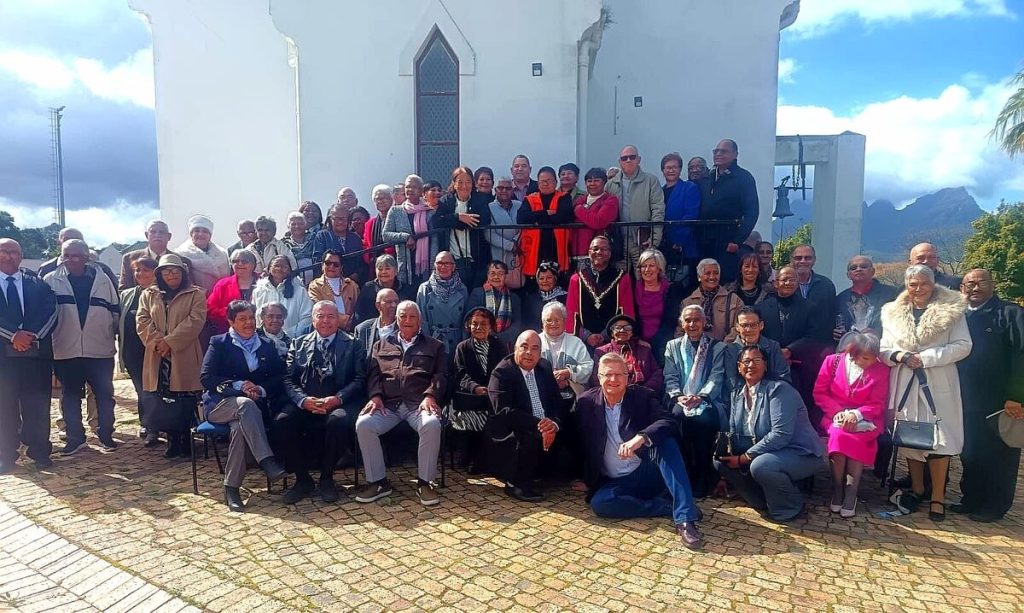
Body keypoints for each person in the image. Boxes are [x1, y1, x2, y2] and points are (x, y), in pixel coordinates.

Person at [577, 353, 704, 549]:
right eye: (608, 374)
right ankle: (665, 507)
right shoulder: (586, 402)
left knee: (665, 443)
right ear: (599, 377)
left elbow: (669, 421)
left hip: (645, 472)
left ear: (628, 377)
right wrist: (583, 477)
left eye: (619, 375)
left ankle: (685, 519)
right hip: (614, 481)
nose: (613, 380)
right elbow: (574, 439)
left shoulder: (641, 396)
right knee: (600, 504)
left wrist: (641, 438)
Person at [880, 264, 972, 521]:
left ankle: (938, 497)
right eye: (913, 284)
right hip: (906, 379)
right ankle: (918, 488)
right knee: (911, 436)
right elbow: (884, 348)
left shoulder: (952, 310)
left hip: (938, 380)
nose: (918, 289)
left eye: (923, 283)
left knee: (941, 440)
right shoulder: (891, 312)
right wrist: (900, 355)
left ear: (933, 284)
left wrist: (928, 357)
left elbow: (964, 346)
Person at [715, 345, 825, 523]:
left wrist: (743, 458)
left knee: (761, 465)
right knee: (720, 460)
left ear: (766, 365)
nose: (751, 365)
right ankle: (761, 500)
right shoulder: (738, 393)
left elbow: (781, 434)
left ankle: (790, 506)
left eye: (757, 360)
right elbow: (735, 433)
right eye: (746, 361)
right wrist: (724, 472)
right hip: (767, 451)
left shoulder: (779, 390)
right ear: (739, 367)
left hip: (799, 452)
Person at [274, 300, 366, 504]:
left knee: (338, 421)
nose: (325, 321)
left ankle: (326, 478)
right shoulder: (298, 343)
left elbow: (360, 379)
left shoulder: (353, 344)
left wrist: (338, 398)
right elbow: (287, 378)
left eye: (331, 316)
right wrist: (302, 400)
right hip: (306, 401)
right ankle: (302, 479)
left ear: (339, 319)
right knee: (282, 421)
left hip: (338, 401)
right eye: (320, 316)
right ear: (313, 319)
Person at [356, 300, 446, 506]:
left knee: (431, 424)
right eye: (403, 316)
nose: (407, 320)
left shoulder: (435, 346)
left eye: (412, 316)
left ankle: (425, 483)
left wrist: (431, 395)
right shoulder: (381, 345)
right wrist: (376, 396)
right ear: (396, 319)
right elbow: (373, 375)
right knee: (364, 425)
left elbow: (441, 375)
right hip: (389, 405)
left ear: (420, 321)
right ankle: (378, 482)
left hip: (418, 404)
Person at [200, 300, 288, 512]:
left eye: (251, 318)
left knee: (240, 428)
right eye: (242, 319)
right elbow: (206, 377)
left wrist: (259, 388)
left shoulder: (266, 344)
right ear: (230, 321)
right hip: (220, 404)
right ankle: (267, 460)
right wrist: (239, 386)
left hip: (251, 408)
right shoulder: (219, 343)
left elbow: (280, 376)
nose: (248, 323)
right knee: (245, 405)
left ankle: (231, 488)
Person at [954, 269, 1024, 522]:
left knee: (999, 454)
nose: (974, 287)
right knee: (970, 451)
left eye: (980, 282)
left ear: (992, 284)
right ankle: (971, 497)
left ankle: (995, 504)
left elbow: (1021, 355)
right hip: (964, 397)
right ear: (962, 288)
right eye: (968, 283)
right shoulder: (959, 316)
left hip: (1000, 401)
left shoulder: (1011, 313)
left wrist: (1017, 395)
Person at [45, 239, 120, 454]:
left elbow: (114, 312)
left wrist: (104, 334)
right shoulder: (51, 280)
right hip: (66, 349)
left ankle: (106, 435)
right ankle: (75, 438)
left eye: (75, 255)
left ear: (86, 257)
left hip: (99, 349)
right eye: (66, 255)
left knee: (104, 395)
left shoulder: (104, 280)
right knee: (69, 396)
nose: (70, 260)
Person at [812, 332, 891, 518]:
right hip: (835, 415)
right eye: (864, 358)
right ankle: (838, 488)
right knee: (839, 436)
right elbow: (819, 392)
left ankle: (851, 493)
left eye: (872, 359)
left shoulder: (881, 369)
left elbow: (878, 402)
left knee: (856, 439)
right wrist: (839, 413)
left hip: (867, 417)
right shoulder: (833, 362)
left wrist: (857, 414)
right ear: (853, 352)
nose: (868, 363)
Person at [136, 253, 207, 458]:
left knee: (184, 399)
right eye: (166, 271)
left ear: (183, 273)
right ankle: (172, 440)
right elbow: (142, 320)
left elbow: (195, 320)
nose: (171, 275)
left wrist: (171, 342)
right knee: (162, 398)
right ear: (159, 274)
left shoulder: (195, 294)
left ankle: (186, 440)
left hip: (184, 352)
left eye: (175, 271)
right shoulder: (149, 294)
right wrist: (158, 342)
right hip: (157, 355)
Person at [0, 239, 57, 473]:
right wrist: (13, 335)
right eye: (3, 252)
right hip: (2, 360)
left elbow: (52, 311)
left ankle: (40, 451)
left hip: (35, 357)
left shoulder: (37, 283)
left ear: (21, 256)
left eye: (14, 252)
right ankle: (6, 455)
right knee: (4, 408)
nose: (8, 256)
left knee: (38, 406)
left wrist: (30, 337)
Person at [485, 330, 563, 502]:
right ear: (515, 348)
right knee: (528, 437)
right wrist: (540, 425)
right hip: (511, 427)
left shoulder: (544, 367)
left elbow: (556, 401)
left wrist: (553, 424)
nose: (529, 352)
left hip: (543, 423)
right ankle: (516, 484)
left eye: (535, 348)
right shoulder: (501, 373)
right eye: (524, 347)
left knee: (574, 422)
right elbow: (505, 411)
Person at [663, 305, 726, 498]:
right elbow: (670, 375)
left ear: (704, 322)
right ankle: (684, 478)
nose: (692, 324)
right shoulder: (672, 346)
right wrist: (678, 396)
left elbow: (717, 376)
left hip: (707, 399)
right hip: (680, 398)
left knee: (704, 421)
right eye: (688, 320)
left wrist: (701, 396)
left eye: (696, 320)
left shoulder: (717, 347)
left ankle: (704, 479)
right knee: (678, 417)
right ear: (682, 323)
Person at [450, 307, 506, 472]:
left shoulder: (499, 346)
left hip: (492, 397)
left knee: (490, 417)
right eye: (474, 324)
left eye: (483, 324)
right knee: (470, 416)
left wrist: (491, 389)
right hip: (469, 398)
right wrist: (474, 388)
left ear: (491, 326)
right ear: (468, 326)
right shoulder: (462, 347)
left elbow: (503, 371)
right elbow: (459, 374)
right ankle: (468, 454)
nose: (478, 327)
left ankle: (480, 459)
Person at [697, 139, 758, 284]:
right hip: (705, 239)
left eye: (723, 151)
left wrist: (737, 240)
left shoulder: (744, 178)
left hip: (727, 238)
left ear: (735, 154)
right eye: (716, 151)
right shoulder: (707, 177)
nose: (718, 154)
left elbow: (752, 212)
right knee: (704, 280)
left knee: (725, 280)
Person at [566, 236, 635, 348]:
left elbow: (626, 312)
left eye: (604, 249)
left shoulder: (622, 278)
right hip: (583, 342)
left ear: (610, 253)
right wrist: (587, 336)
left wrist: (605, 335)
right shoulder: (576, 279)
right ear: (589, 252)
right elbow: (572, 316)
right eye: (595, 249)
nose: (599, 252)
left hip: (613, 341)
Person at [606, 145, 665, 274]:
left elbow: (658, 209)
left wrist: (654, 240)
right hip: (619, 241)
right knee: (620, 280)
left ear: (638, 159)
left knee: (644, 278)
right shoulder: (611, 184)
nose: (628, 160)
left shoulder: (651, 181)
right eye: (624, 158)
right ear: (619, 161)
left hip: (642, 241)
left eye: (632, 157)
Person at [120, 255, 159, 445]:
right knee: (141, 389)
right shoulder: (126, 295)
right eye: (137, 270)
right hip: (132, 350)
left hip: (154, 349)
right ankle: (147, 424)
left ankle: (155, 426)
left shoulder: (161, 293)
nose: (140, 273)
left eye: (145, 270)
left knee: (153, 389)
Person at [714, 307, 791, 399]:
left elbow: (783, 376)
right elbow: (731, 382)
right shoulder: (730, 350)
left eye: (753, 325)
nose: (749, 330)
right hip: (741, 398)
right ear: (737, 327)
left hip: (771, 396)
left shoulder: (773, 347)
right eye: (744, 325)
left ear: (761, 325)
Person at [434, 166, 492, 288]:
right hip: (455, 258)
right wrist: (458, 217)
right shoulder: (446, 201)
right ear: (454, 184)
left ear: (473, 183)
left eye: (468, 182)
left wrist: (454, 222)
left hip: (477, 256)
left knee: (475, 292)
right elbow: (437, 221)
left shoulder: (480, 199)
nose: (464, 186)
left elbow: (483, 220)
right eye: (460, 182)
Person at [383, 174, 439, 287]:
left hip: (425, 265)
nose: (410, 190)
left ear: (421, 191)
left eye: (414, 187)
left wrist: (433, 266)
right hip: (405, 265)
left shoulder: (429, 212)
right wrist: (405, 237)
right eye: (408, 187)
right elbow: (386, 235)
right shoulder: (395, 211)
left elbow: (434, 240)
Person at [518, 166, 574, 279]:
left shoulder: (564, 197)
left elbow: (565, 216)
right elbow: (521, 218)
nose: (545, 184)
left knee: (558, 280)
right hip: (535, 248)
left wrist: (537, 219)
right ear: (538, 183)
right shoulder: (529, 199)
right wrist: (547, 213)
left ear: (555, 182)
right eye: (542, 181)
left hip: (557, 248)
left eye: (549, 180)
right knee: (534, 284)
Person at [592, 314, 664, 396]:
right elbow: (596, 379)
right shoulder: (601, 352)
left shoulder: (644, 350)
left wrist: (644, 390)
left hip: (643, 394)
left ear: (632, 333)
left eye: (627, 328)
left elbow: (657, 373)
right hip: (613, 395)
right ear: (612, 333)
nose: (622, 330)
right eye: (618, 328)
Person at [416, 251, 468, 356]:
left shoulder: (462, 289)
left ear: (453, 267)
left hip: (456, 343)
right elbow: (421, 319)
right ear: (434, 265)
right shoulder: (425, 288)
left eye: (447, 263)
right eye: (439, 263)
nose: (443, 266)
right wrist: (427, 343)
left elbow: (465, 319)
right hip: (434, 341)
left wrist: (463, 343)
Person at [834, 255, 898, 340]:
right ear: (848, 275)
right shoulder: (841, 298)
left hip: (882, 347)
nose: (858, 269)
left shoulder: (891, 294)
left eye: (863, 266)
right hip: (850, 347)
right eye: (853, 268)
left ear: (872, 271)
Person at [539, 301, 594, 398]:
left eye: (557, 319)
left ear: (564, 321)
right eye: (549, 320)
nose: (553, 323)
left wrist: (568, 373)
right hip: (541, 393)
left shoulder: (576, 342)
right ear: (543, 323)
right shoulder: (535, 341)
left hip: (571, 395)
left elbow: (588, 367)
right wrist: (551, 379)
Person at [659, 152, 701, 276]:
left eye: (675, 167)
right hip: (664, 244)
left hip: (683, 246)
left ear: (680, 169)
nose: (671, 170)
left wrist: (679, 241)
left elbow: (691, 215)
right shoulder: (660, 191)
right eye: (668, 167)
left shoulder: (689, 188)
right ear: (663, 170)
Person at [120, 220, 192, 291]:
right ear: (146, 235)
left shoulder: (182, 261)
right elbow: (123, 291)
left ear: (169, 236)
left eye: (161, 232)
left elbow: (188, 290)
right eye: (153, 232)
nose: (157, 235)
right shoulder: (130, 259)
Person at [252, 255, 313, 338]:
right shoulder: (258, 291)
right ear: (269, 269)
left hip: (292, 340)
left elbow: (308, 317)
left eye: (284, 266)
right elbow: (254, 317)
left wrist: (288, 335)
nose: (280, 269)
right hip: (263, 340)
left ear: (289, 270)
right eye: (276, 265)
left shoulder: (300, 291)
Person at [466, 260, 522, 349]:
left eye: (500, 274)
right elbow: (469, 320)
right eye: (492, 273)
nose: (496, 277)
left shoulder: (514, 298)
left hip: (504, 345)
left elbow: (516, 324)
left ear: (505, 276)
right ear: (487, 275)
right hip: (479, 342)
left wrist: (498, 339)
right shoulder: (477, 294)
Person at [681, 258, 740, 342]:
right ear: (699, 277)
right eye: (707, 273)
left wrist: (723, 347)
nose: (712, 277)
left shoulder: (734, 299)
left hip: (726, 349)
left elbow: (739, 327)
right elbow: (681, 330)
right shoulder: (688, 303)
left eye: (716, 273)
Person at [571, 168, 619, 270]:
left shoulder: (611, 200)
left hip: (598, 254)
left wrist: (579, 210)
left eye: (596, 180)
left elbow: (598, 221)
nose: (592, 184)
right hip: (576, 252)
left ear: (604, 183)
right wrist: (589, 215)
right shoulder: (581, 199)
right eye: (589, 181)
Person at [38, 227, 118, 286]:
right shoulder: (47, 269)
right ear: (59, 242)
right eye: (67, 239)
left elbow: (115, 298)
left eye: (77, 240)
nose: (72, 243)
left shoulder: (102, 270)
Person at [311, 205, 368, 284]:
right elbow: (317, 260)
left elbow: (361, 262)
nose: (340, 222)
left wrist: (356, 274)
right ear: (330, 219)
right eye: (336, 219)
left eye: (344, 219)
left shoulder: (355, 238)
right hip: (328, 283)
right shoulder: (322, 236)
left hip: (352, 283)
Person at [206, 250, 259, 336]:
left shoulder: (264, 282)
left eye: (244, 261)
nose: (240, 264)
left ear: (253, 265)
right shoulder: (222, 284)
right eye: (235, 261)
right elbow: (210, 309)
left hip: (259, 333)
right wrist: (233, 313)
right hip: (229, 334)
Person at [352, 254, 414, 327]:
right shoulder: (368, 288)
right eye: (380, 269)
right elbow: (360, 314)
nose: (384, 272)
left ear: (396, 270)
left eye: (387, 268)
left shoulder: (406, 289)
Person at [174, 215, 230, 292]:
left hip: (220, 297)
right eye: (196, 231)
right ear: (191, 234)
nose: (200, 234)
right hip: (194, 299)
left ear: (210, 235)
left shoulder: (222, 254)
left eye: (205, 231)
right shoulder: (181, 254)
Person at [307, 250, 359, 332]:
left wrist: (354, 324)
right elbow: (320, 309)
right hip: (327, 330)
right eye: (328, 263)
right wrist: (347, 322)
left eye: (336, 264)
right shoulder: (315, 286)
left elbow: (358, 308)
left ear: (341, 268)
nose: (331, 266)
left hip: (352, 330)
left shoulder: (352, 285)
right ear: (322, 265)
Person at [789, 244, 838, 330]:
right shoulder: (784, 285)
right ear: (791, 260)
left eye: (808, 258)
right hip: (790, 341)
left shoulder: (826, 285)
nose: (803, 261)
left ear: (814, 260)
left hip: (819, 340)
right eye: (798, 258)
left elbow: (832, 315)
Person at [486, 176, 523, 274]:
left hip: (519, 252)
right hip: (499, 253)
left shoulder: (519, 205)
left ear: (512, 190)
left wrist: (516, 242)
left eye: (508, 188)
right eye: (501, 188)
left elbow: (524, 227)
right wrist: (511, 246)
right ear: (495, 190)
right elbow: (489, 234)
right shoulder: (489, 207)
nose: (504, 190)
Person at [634, 249, 670, 345]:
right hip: (637, 341)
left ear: (659, 269)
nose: (647, 270)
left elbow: (671, 320)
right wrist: (637, 339)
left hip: (663, 342)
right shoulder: (633, 288)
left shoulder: (669, 290)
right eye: (644, 266)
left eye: (651, 266)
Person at [353, 288, 398, 358]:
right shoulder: (362, 329)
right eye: (389, 302)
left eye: (396, 301)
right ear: (378, 305)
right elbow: (358, 360)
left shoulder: (404, 328)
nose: (394, 305)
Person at [523, 261, 568, 329]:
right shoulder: (531, 300)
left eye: (549, 278)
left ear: (555, 279)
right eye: (541, 278)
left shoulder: (565, 297)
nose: (545, 281)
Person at [364, 185, 397, 269]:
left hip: (395, 263)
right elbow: (366, 245)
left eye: (384, 198)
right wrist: (370, 258)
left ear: (391, 199)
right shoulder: (370, 223)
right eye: (377, 199)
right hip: (375, 265)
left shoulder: (398, 218)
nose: (380, 201)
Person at [282, 211, 315, 286]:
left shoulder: (314, 239)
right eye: (293, 224)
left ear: (305, 225)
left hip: (316, 284)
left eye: (300, 223)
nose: (297, 226)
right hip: (295, 285)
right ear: (288, 226)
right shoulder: (284, 244)